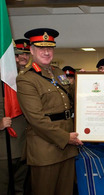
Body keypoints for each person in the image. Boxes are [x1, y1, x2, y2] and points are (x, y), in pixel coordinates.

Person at [16, 28, 83, 195]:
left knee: (66, 191)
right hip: (45, 149)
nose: (46, 52)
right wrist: (66, 138)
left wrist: (87, 82)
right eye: (41, 48)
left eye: (50, 48)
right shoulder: (26, 79)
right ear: (32, 50)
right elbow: (36, 119)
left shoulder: (58, 73)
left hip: (67, 148)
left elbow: (74, 101)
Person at [0, 42, 29, 195]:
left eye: (26, 54)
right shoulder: (3, 78)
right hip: (4, 148)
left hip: (23, 145)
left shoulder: (26, 77)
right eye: (19, 54)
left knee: (19, 189)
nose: (23, 57)